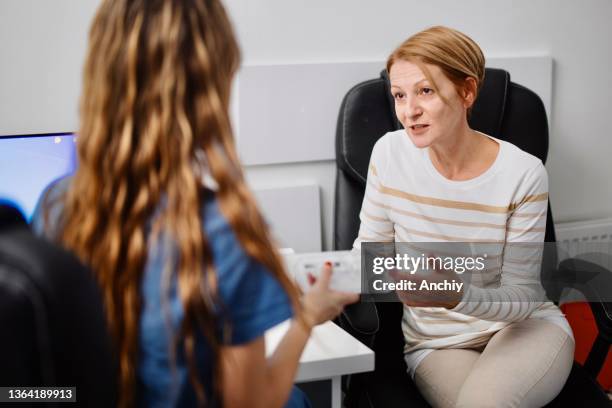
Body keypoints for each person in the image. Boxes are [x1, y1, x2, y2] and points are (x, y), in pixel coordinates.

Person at [31, 1, 358, 407]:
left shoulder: (55, 205)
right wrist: (307, 318)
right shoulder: (223, 230)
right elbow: (252, 402)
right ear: (211, 88)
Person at [354, 26, 575, 407]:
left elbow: (522, 296)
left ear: (467, 91)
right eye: (399, 95)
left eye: (425, 91)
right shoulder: (388, 154)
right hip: (436, 344)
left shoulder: (523, 174)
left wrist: (455, 295)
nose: (410, 111)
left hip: (524, 329)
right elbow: (369, 255)